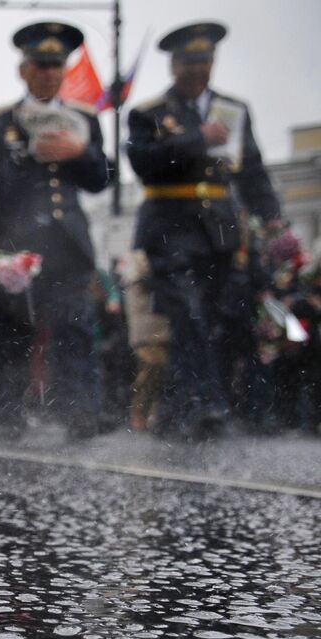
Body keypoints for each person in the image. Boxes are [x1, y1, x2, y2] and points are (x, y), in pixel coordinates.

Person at [126, 22, 283, 441]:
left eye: (205, 62)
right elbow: (142, 161)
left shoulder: (234, 110)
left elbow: (252, 169)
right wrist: (198, 138)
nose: (198, 71)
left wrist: (271, 216)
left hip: (220, 229)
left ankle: (177, 411)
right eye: (189, 63)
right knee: (187, 312)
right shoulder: (149, 112)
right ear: (174, 66)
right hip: (167, 225)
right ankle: (207, 404)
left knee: (210, 317)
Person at [0, 22, 111, 441]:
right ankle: (7, 416)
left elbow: (102, 179)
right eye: (40, 65)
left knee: (75, 329)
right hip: (13, 246)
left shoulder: (82, 121)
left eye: (56, 65)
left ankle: (81, 413)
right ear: (23, 70)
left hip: (67, 245)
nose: (49, 73)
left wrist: (82, 152)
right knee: (13, 333)